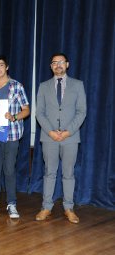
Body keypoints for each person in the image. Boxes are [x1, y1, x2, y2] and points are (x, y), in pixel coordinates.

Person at [35, 53, 86, 224]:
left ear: (67, 64)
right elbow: (39, 112)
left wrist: (67, 132)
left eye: (61, 62)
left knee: (68, 174)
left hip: (70, 138)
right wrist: (50, 131)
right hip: (48, 137)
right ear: (51, 66)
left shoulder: (78, 85)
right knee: (49, 173)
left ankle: (69, 208)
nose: (58, 65)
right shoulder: (43, 86)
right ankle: (46, 207)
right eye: (55, 63)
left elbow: (81, 112)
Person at [0, 55, 30, 219]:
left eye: (1, 65)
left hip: (11, 134)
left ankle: (12, 203)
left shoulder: (17, 86)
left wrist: (14, 117)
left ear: (7, 67)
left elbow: (26, 110)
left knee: (9, 170)